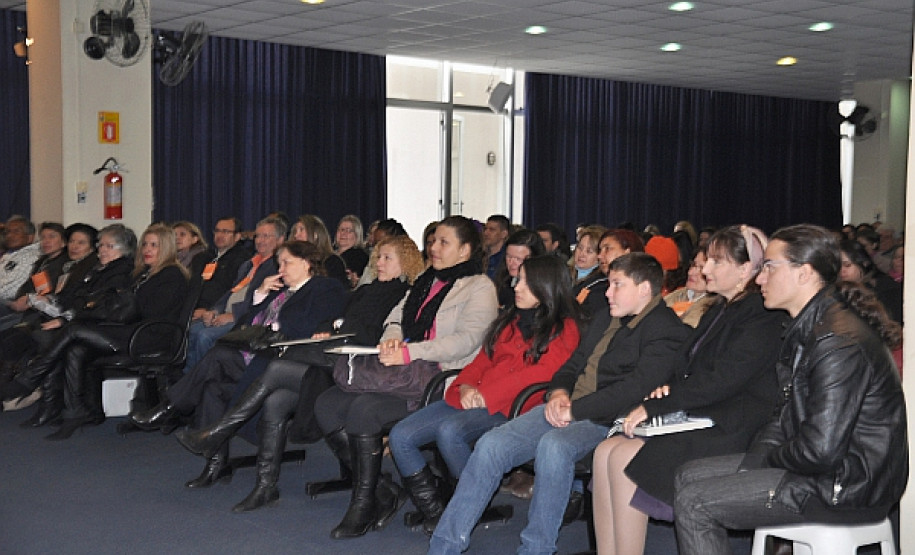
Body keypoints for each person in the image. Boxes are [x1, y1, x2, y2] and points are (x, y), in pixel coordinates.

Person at [429, 252, 689, 555]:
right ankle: (444, 547)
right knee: (491, 445)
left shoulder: (666, 330)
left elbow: (632, 391)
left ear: (644, 288)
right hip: (568, 406)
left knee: (554, 447)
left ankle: (536, 549)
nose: (607, 293)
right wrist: (558, 394)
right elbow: (572, 365)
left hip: (608, 420)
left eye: (617, 284)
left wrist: (574, 409)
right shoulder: (607, 316)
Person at [673, 224, 908, 555]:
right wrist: (757, 460)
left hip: (846, 484)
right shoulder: (809, 327)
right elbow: (785, 414)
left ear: (804, 273)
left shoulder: (836, 341)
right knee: (687, 475)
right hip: (822, 470)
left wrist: (768, 459)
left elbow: (821, 451)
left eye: (769, 266)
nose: (760, 278)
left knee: (694, 501)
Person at [173, 235, 425, 511]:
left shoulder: (403, 294)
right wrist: (330, 327)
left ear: (406, 262)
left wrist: (337, 326)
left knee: (275, 367)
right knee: (275, 399)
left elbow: (372, 333)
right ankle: (266, 486)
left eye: (387, 258)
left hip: (357, 368)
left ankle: (216, 432)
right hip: (331, 359)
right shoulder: (367, 290)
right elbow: (335, 319)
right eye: (378, 257)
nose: (379, 262)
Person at [590, 225, 785, 555]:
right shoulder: (719, 308)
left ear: (744, 270)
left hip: (732, 424)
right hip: (703, 412)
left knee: (624, 457)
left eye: (716, 261)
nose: (705, 268)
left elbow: (722, 380)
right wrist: (664, 389)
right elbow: (686, 366)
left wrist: (658, 406)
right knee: (605, 451)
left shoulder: (761, 316)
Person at [315, 215, 499, 540]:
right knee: (327, 404)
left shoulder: (479, 287)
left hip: (440, 378)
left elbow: (466, 341)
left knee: (364, 411)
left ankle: (366, 504)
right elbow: (395, 318)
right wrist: (392, 338)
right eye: (433, 240)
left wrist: (410, 352)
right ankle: (382, 490)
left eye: (444, 242)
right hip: (403, 372)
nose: (434, 247)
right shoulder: (426, 281)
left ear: (465, 250)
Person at [389, 255, 582, 535]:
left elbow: (542, 374)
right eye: (518, 280)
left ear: (546, 287)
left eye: (525, 282)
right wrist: (466, 387)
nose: (516, 287)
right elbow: (481, 361)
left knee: (450, 432)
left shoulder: (565, 328)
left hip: (514, 406)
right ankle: (437, 511)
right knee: (400, 436)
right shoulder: (509, 321)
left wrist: (485, 395)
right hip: (477, 397)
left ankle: (471, 503)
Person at [129, 240, 347, 453]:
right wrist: (260, 294)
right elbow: (247, 323)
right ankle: (213, 457)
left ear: (306, 263)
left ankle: (171, 409)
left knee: (218, 356)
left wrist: (275, 322)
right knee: (214, 383)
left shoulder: (325, 287)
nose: (281, 269)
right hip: (257, 354)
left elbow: (311, 326)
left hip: (286, 360)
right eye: (279, 263)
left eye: (286, 262)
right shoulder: (278, 292)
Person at [3, 224, 190, 440]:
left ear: (166, 248)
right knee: (76, 349)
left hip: (150, 336)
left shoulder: (171, 274)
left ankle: (28, 379)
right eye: (145, 244)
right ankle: (75, 412)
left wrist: (122, 305)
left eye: (154, 245)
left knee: (73, 330)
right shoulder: (144, 273)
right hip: (129, 331)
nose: (147, 249)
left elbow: (150, 313)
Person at [183, 216, 285, 372]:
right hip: (226, 313)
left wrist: (234, 315)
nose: (259, 240)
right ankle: (189, 377)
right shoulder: (249, 264)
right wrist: (215, 310)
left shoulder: (277, 266)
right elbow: (231, 292)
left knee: (205, 336)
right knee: (192, 331)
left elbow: (265, 302)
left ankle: (205, 380)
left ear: (280, 240)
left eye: (266, 236)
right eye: (257, 236)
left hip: (245, 318)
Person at [0, 222, 68, 329]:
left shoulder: (65, 265)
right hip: (24, 306)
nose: (46, 241)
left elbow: (53, 294)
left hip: (43, 312)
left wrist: (29, 299)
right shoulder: (41, 262)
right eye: (43, 238)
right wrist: (22, 298)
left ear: (63, 242)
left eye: (51, 237)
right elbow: (27, 285)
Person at [190, 217, 250, 319]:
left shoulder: (243, 260)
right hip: (194, 310)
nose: (220, 235)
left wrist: (208, 309)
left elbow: (230, 290)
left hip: (217, 312)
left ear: (237, 236)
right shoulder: (202, 257)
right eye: (217, 231)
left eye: (225, 232)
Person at [838, 239, 903, 324]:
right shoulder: (838, 289)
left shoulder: (887, 289)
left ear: (864, 263)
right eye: (838, 266)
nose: (841, 270)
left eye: (847, 265)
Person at [663, 246, 716, 327]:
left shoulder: (713, 308)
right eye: (693, 265)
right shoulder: (677, 294)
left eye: (701, 268)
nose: (690, 272)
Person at [290, 214, 349, 287]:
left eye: (301, 230)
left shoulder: (332, 262)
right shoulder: (291, 262)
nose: (296, 235)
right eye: (295, 232)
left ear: (315, 234)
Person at [494, 229, 546, 307]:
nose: (511, 263)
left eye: (518, 259)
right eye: (509, 256)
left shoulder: (542, 289)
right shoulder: (503, 279)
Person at [0, 216, 41, 314]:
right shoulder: (10, 255)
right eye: (7, 232)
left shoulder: (32, 257)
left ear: (30, 237)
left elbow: (13, 290)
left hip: (12, 306)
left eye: (16, 232)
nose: (9, 236)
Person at [335, 214, 369, 287]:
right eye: (341, 230)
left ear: (357, 235)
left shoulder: (360, 257)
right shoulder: (329, 254)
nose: (343, 233)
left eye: (349, 231)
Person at [482, 215, 510, 280]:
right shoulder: (480, 256)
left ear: (503, 234)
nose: (486, 233)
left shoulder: (507, 259)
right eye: (485, 229)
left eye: (492, 230)